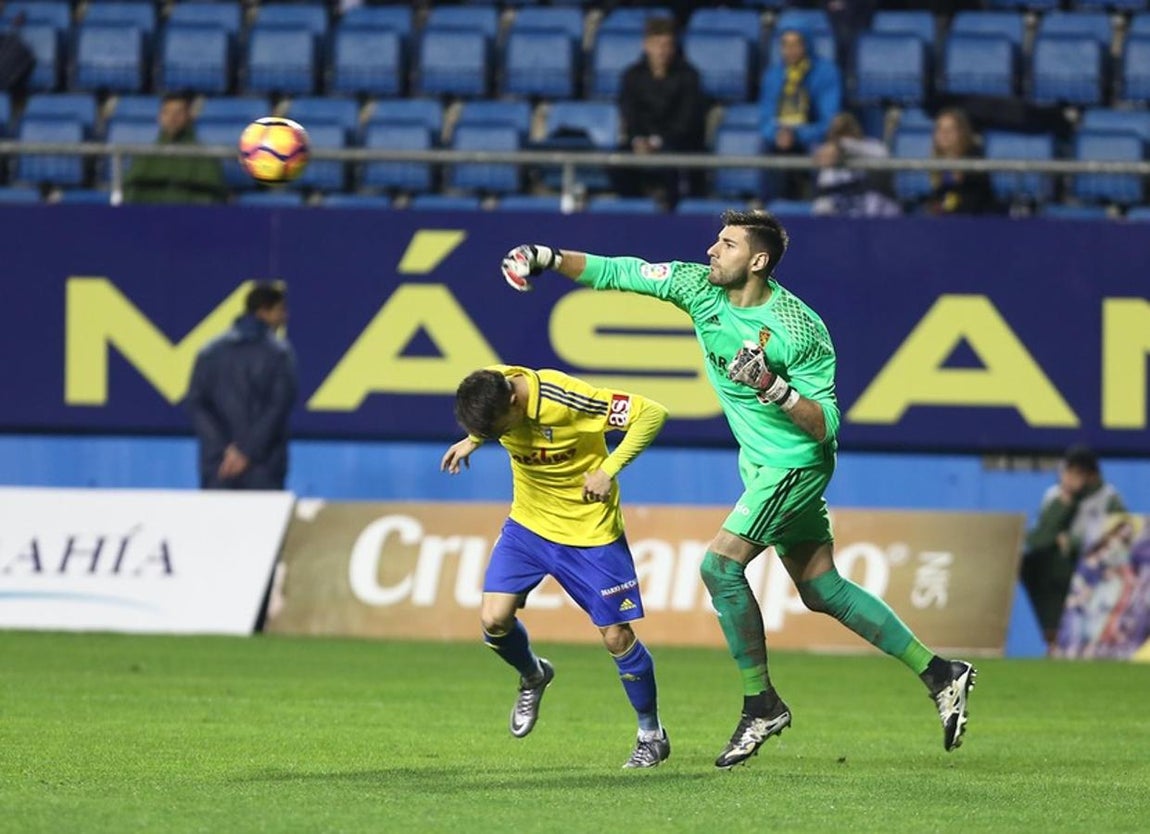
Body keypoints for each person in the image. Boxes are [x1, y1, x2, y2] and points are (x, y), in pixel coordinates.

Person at [499, 210, 976, 769]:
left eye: (726, 245)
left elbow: (826, 425)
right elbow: (619, 272)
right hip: (761, 467)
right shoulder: (698, 289)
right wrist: (548, 257)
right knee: (821, 589)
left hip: (796, 464)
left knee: (719, 567)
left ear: (757, 260)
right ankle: (942, 672)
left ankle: (761, 703)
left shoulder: (799, 327)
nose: (711, 251)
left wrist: (772, 386)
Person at [441, 365, 671, 768]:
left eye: (497, 430)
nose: (498, 438)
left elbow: (651, 413)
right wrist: (475, 439)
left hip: (589, 532)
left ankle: (650, 733)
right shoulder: (492, 385)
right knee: (494, 620)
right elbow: (489, 418)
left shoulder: (567, 399)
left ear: (514, 400)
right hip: (528, 526)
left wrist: (608, 470)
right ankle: (533, 675)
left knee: (616, 636)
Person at [186, 282, 297, 490]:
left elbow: (197, 404)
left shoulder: (209, 352)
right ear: (264, 311)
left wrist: (223, 449)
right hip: (263, 467)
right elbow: (278, 409)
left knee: (215, 522)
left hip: (219, 465)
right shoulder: (280, 355)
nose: (285, 317)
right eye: (280, 310)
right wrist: (246, 453)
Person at [1020, 445, 1127, 651]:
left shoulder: (1109, 499)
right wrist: (1063, 505)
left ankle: (1094, 638)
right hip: (1063, 569)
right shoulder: (1055, 496)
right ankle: (1053, 633)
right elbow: (1036, 540)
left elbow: (1119, 543)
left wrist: (1073, 543)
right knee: (1033, 563)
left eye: (1076, 473)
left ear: (1092, 476)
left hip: (1096, 570)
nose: (1068, 478)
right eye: (1066, 471)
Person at [616, 16, 706, 205]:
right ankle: (633, 207)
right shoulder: (632, 76)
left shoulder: (689, 76)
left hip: (677, 144)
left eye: (667, 45)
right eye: (657, 44)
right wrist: (639, 139)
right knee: (616, 161)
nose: (662, 51)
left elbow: (686, 120)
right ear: (646, 45)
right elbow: (629, 113)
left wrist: (657, 142)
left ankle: (670, 210)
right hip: (640, 142)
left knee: (677, 161)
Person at [123, 92, 226, 205]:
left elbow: (213, 197)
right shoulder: (144, 155)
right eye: (167, 112)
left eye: (178, 112)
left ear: (188, 116)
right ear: (159, 117)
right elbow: (131, 193)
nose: (172, 118)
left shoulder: (204, 157)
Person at [811, 112, 900, 218]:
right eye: (839, 133)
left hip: (880, 220)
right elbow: (822, 205)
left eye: (848, 129)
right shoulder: (830, 168)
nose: (845, 136)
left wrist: (841, 146)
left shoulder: (872, 147)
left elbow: (883, 156)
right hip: (846, 225)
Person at [921, 107, 997, 216]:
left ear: (962, 132)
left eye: (950, 129)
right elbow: (941, 200)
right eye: (940, 129)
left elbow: (972, 201)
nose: (944, 134)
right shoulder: (936, 162)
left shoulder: (974, 160)